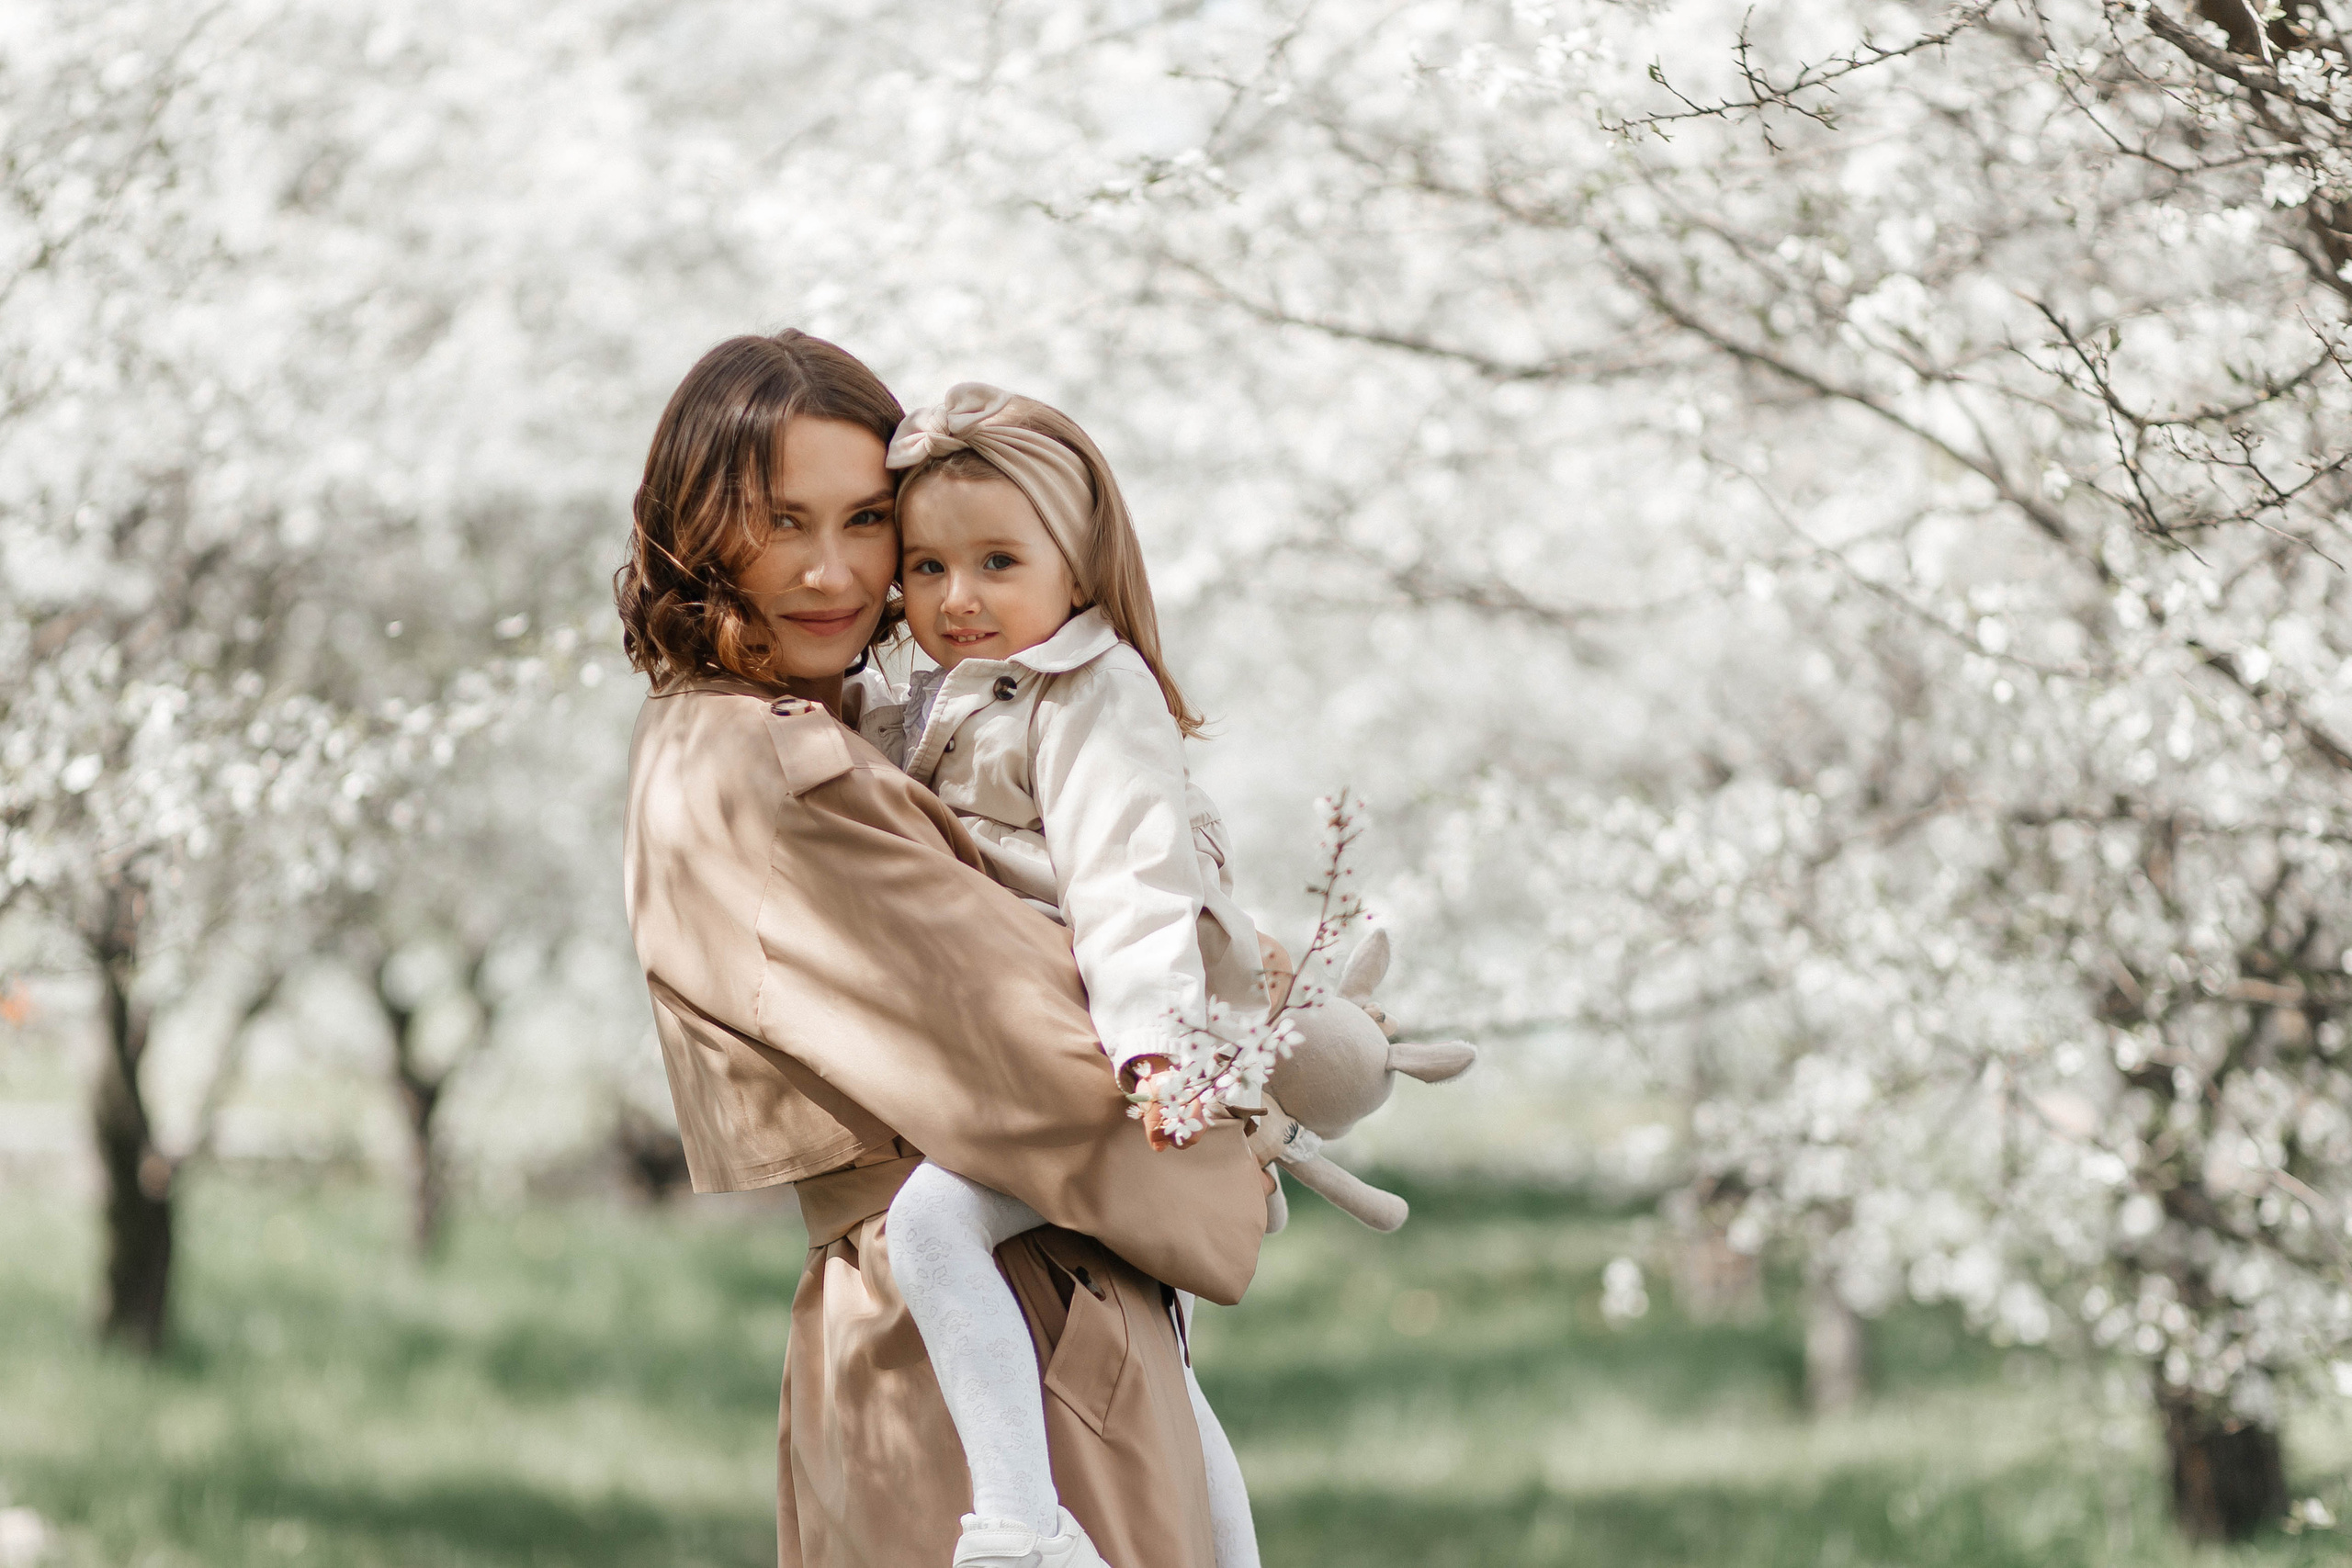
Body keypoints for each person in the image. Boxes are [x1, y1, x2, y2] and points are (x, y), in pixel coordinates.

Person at [614, 331, 1269, 1568]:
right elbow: (1034, 1050)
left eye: (866, 520)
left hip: (980, 1316)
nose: (832, 571)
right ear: (695, 531)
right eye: (780, 521)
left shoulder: (797, 731)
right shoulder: (773, 766)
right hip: (997, 1332)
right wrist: (1250, 1086)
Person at [862, 385, 1273, 1568]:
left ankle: (1023, 1533)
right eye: (927, 565)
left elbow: (1134, 882)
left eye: (998, 560)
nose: (959, 597)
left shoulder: (1094, 690)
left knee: (935, 1224)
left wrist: (1155, 1052)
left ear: (1079, 561)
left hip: (1112, 1056)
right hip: (1035, 1050)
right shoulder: (928, 688)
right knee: (1168, 1371)